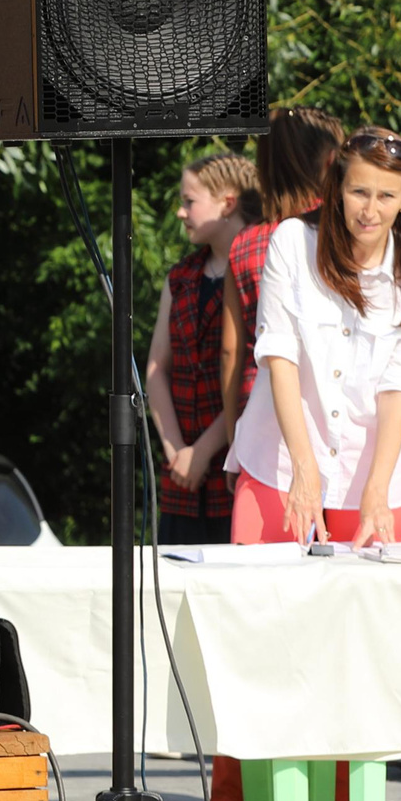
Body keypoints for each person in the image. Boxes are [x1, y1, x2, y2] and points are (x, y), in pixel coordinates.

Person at [189, 127, 401, 801]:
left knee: (353, 646)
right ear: (336, 187)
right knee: (259, 635)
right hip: (280, 465)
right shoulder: (288, 246)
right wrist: (302, 465)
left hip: (376, 474)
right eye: (357, 190)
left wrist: (372, 490)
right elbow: (276, 349)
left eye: (384, 195)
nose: (368, 208)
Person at [145, 152, 259, 543]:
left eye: (189, 201)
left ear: (227, 203)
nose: (181, 212)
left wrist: (205, 450)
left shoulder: (260, 270)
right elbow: (157, 367)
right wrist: (177, 449)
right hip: (183, 476)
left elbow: (254, 371)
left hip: (236, 467)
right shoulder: (180, 278)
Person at [218, 106, 342, 443]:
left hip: (260, 427)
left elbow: (231, 351)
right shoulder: (342, 234)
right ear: (332, 162)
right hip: (332, 419)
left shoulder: (244, 244)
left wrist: (234, 437)